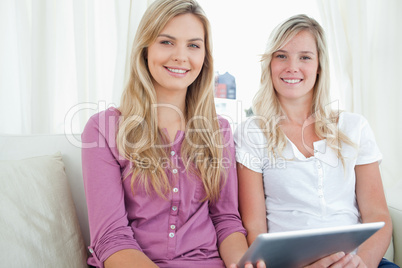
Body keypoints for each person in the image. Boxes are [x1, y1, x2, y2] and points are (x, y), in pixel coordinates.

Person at [81, 0, 263, 267]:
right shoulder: (103, 129)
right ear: (145, 49)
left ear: (204, 56)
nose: (181, 56)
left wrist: (242, 263)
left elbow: (226, 220)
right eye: (167, 42)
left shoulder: (219, 130)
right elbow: (111, 239)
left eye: (193, 45)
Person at [234, 14, 398, 268]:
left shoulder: (354, 127)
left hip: (357, 262)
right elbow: (254, 227)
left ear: (320, 65)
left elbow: (378, 215)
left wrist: (362, 262)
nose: (292, 67)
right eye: (281, 55)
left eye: (305, 57)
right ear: (269, 63)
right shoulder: (252, 133)